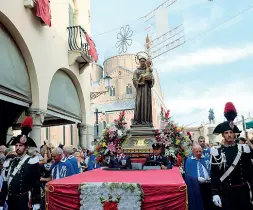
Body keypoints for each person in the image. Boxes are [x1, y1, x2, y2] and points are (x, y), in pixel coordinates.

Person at [210, 102, 253, 210]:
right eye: (226, 132)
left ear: (234, 134)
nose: (229, 134)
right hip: (227, 192)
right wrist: (214, 193)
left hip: (243, 191)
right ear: (223, 135)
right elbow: (214, 174)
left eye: (231, 132)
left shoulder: (243, 149)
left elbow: (249, 170)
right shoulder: (217, 152)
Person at [0, 116, 41, 210]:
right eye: (16, 145)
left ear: (26, 148)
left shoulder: (31, 161)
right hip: (10, 200)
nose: (17, 147)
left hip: (23, 200)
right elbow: (5, 183)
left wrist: (36, 201)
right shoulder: (9, 162)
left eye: (21, 145)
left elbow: (35, 183)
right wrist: (1, 202)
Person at [185, 144, 216, 210]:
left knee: (209, 202)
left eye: (200, 151)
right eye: (197, 151)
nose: (199, 153)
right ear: (193, 151)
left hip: (208, 184)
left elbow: (211, 169)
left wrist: (210, 176)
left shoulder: (206, 158)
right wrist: (197, 179)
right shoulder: (189, 160)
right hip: (197, 186)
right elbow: (188, 175)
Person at [132, 55, 154, 126]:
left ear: (145, 62)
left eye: (144, 61)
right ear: (139, 62)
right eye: (141, 61)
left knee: (146, 104)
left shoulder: (148, 69)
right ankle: (137, 121)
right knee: (139, 104)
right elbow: (134, 79)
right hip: (140, 90)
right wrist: (138, 83)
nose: (142, 62)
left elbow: (152, 79)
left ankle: (147, 121)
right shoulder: (136, 71)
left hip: (147, 90)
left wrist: (150, 80)